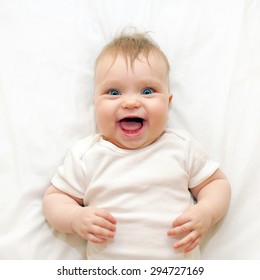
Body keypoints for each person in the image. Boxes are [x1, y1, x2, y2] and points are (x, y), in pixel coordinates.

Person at [43, 31, 231, 260]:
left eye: (147, 91)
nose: (131, 102)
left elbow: (217, 184)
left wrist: (206, 212)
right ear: (95, 102)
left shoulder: (180, 147)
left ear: (168, 103)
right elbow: (55, 199)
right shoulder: (87, 155)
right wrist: (75, 218)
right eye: (113, 92)